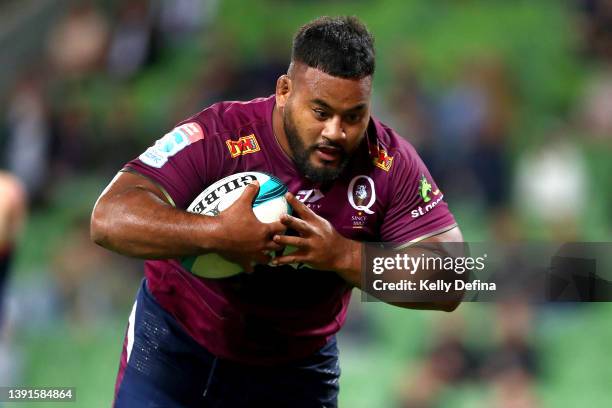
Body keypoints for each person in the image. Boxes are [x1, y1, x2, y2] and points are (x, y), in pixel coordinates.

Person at [91, 16, 463, 408]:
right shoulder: (220, 134)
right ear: (284, 91)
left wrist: (342, 254)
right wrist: (217, 233)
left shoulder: (389, 162)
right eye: (320, 112)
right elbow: (108, 217)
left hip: (296, 373)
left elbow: (453, 279)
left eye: (353, 116)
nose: (335, 132)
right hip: (173, 348)